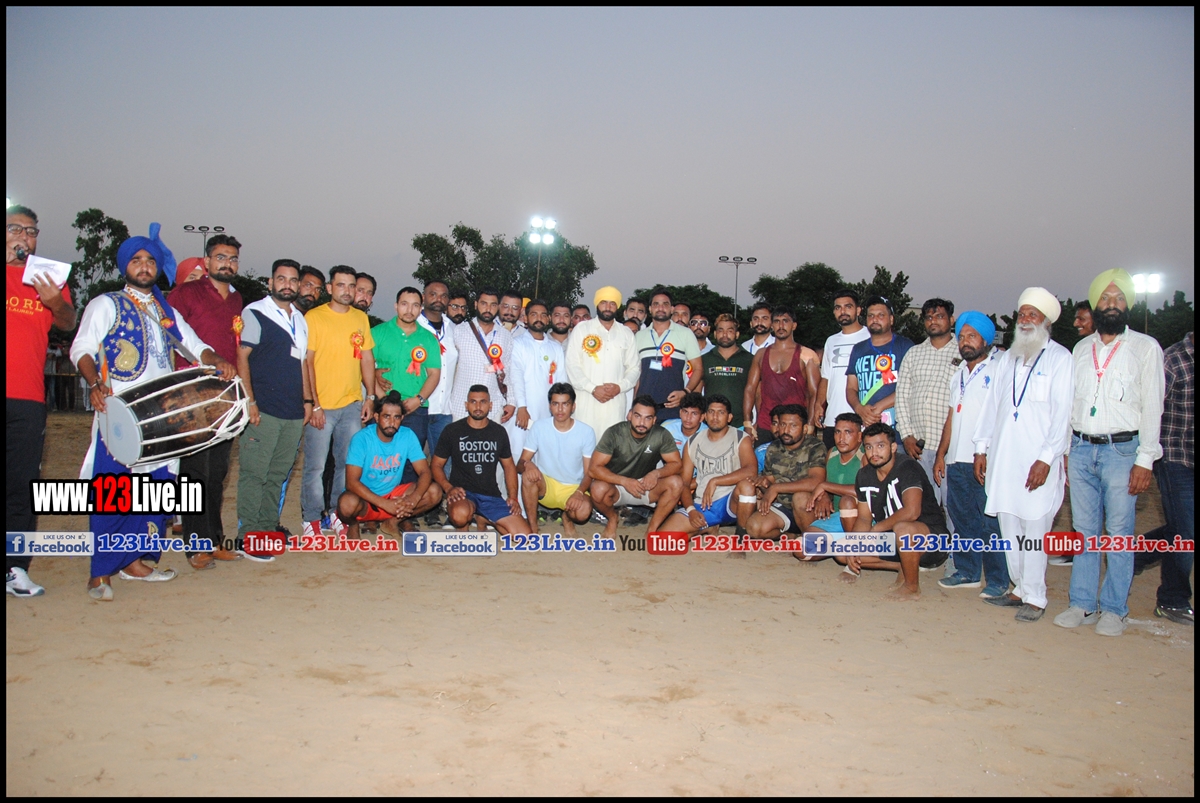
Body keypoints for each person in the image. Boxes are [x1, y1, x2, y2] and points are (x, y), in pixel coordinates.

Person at [71, 226, 235, 600]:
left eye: (150, 260)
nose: (144, 266)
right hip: (119, 412)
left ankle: (134, 562)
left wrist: (216, 360)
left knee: (154, 491)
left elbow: (194, 344)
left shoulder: (165, 310)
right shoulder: (106, 304)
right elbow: (81, 348)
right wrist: (94, 382)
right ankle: (100, 572)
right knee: (114, 490)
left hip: (162, 417)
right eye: (136, 260)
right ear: (124, 266)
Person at [1055, 269, 1164, 637]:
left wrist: (1145, 459)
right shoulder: (1080, 350)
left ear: (1128, 305)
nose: (1112, 304)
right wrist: (1067, 451)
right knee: (1084, 531)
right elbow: (1071, 404)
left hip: (1122, 451)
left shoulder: (1145, 348)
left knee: (1118, 532)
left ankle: (1115, 609)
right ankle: (1082, 603)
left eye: (1119, 299)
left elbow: (1153, 406)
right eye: (1105, 298)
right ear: (1095, 304)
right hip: (1081, 449)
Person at [973, 288, 1072, 623]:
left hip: (1038, 460)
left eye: (1033, 315)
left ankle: (1036, 597)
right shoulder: (1008, 358)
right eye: (1022, 314)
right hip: (1004, 457)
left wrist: (1046, 458)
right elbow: (992, 406)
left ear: (1046, 322)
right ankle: (1019, 589)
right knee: (1008, 526)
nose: (1026, 320)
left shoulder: (1060, 358)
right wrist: (981, 447)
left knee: (1035, 529)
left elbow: (1062, 414)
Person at [7, 205, 75, 597]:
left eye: (31, 231)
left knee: (20, 486)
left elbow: (67, 322)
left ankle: (14, 568)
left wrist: (54, 301)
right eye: (15, 229)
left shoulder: (47, 278)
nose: (24, 237)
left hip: (28, 397)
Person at [167, 233, 245, 569]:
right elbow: (170, 335)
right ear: (208, 260)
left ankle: (214, 540)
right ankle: (195, 545)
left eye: (232, 258)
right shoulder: (186, 293)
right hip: (193, 392)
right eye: (221, 257)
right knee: (195, 471)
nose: (227, 263)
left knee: (217, 471)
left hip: (226, 395)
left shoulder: (237, 299)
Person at [235, 259, 311, 559]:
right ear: (271, 282)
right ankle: (247, 535)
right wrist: (250, 402)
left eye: (293, 280)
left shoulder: (300, 319)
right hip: (263, 409)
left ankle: (267, 529)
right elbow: (242, 358)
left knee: (277, 474)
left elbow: (302, 363)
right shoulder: (255, 312)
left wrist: (307, 402)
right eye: (281, 279)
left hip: (292, 412)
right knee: (255, 473)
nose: (287, 285)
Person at [932, 312, 1010, 597]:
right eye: (962, 337)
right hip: (956, 460)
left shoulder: (999, 370)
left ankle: (998, 580)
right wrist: (941, 454)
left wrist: (986, 452)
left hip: (984, 459)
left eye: (972, 336)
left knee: (990, 522)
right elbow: (951, 417)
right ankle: (967, 572)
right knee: (962, 519)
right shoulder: (958, 375)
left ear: (986, 340)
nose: (965, 342)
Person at [302, 265, 377, 539]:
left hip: (351, 405)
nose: (347, 291)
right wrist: (315, 404)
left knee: (346, 464)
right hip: (322, 407)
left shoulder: (360, 318)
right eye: (341, 285)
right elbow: (307, 361)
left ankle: (337, 513)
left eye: (351, 285)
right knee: (316, 466)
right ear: (330, 288)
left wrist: (370, 397)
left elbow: (366, 358)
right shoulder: (314, 317)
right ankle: (311, 518)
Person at [841, 424, 948, 599]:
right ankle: (903, 565)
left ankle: (911, 587)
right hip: (893, 539)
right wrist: (855, 544)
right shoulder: (864, 475)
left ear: (893, 447)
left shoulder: (907, 467)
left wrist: (877, 529)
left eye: (880, 446)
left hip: (930, 540)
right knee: (842, 551)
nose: (874, 452)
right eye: (869, 447)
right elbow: (864, 519)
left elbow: (912, 512)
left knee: (903, 528)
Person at [339, 391, 443, 537]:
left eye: (397, 417)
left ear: (402, 418)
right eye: (386, 416)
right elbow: (351, 482)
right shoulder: (361, 439)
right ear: (376, 417)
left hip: (393, 497)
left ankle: (392, 522)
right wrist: (384, 504)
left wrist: (414, 498)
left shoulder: (407, 435)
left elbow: (425, 472)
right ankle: (353, 524)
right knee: (346, 504)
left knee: (434, 492)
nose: (392, 422)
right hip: (366, 499)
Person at [1142, 331, 1192, 625]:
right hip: (1175, 457)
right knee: (1186, 532)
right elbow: (1149, 408)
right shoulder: (1172, 360)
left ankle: (1136, 554)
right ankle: (1172, 599)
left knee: (1182, 527)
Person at [432, 385, 530, 534]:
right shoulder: (452, 430)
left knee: (523, 537)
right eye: (473, 402)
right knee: (460, 516)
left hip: (490, 495)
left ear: (490, 405)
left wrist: (513, 498)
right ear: (466, 405)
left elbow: (509, 466)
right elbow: (436, 465)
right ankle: (465, 523)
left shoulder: (498, 432)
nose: (478, 407)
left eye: (483, 402)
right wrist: (449, 488)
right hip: (463, 494)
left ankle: (483, 517)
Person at [588, 395, 685, 540]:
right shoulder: (614, 433)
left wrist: (656, 474)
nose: (642, 422)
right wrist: (624, 481)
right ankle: (612, 518)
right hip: (616, 486)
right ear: (629, 415)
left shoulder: (661, 434)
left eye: (648, 418)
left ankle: (652, 529)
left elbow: (677, 464)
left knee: (676, 483)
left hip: (645, 486)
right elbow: (593, 469)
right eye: (638, 416)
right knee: (597, 489)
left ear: (654, 420)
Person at [661, 394, 757, 534]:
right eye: (711, 412)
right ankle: (707, 527)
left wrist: (715, 481)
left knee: (747, 486)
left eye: (721, 412)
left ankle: (741, 537)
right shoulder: (693, 442)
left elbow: (751, 470)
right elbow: (685, 483)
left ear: (729, 417)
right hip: (703, 504)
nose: (715, 417)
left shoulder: (740, 438)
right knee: (663, 539)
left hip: (730, 502)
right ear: (705, 416)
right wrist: (691, 510)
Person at [895, 299, 959, 507]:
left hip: (951, 447)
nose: (933, 321)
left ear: (951, 320)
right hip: (919, 447)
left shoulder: (963, 352)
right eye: (929, 317)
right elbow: (902, 396)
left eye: (939, 316)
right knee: (923, 507)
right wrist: (906, 436)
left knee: (952, 507)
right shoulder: (914, 353)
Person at [741, 404, 827, 545]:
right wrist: (763, 483)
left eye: (793, 426)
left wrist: (776, 488)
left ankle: (813, 543)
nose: (786, 430)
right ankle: (791, 535)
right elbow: (770, 480)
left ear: (805, 428)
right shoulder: (774, 448)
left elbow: (816, 481)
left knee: (800, 497)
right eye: (782, 425)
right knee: (754, 527)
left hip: (808, 507)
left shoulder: (815, 446)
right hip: (784, 506)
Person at [517, 383, 596, 536]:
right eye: (555, 404)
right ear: (550, 406)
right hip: (547, 486)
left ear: (573, 407)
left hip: (573, 487)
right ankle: (532, 527)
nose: (560, 409)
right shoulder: (539, 427)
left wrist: (579, 492)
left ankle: (567, 517)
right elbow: (519, 465)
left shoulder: (586, 432)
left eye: (565, 404)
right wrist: (528, 464)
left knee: (583, 512)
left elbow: (589, 473)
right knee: (528, 475)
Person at [372, 286, 441, 450]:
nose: (409, 310)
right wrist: (382, 399)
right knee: (378, 456)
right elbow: (364, 368)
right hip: (383, 407)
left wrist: (419, 399)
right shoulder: (377, 333)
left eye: (415, 305)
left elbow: (434, 374)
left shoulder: (429, 338)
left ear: (420, 308)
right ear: (396, 306)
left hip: (415, 410)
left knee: (412, 458)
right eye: (404, 304)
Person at [565, 286, 640, 438]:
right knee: (584, 446)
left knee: (611, 447)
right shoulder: (582, 329)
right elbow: (572, 365)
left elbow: (634, 368)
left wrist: (619, 387)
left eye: (612, 303)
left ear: (617, 306)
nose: (607, 307)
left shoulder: (626, 333)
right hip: (586, 402)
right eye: (603, 302)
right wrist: (592, 388)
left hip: (615, 404)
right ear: (597, 304)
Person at [744, 307, 819, 445]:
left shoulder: (806, 355)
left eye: (785, 321)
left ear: (794, 325)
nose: (781, 325)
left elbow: (814, 393)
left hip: (795, 425)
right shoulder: (761, 354)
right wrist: (748, 422)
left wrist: (810, 425)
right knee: (762, 459)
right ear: (772, 325)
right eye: (777, 321)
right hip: (766, 423)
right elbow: (750, 389)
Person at [506, 299, 566, 460]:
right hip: (522, 414)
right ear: (525, 318)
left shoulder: (556, 348)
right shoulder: (517, 343)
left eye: (543, 315)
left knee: (543, 458)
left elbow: (561, 383)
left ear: (548, 319)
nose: (539, 318)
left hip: (547, 414)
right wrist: (522, 407)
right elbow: (516, 376)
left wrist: (559, 411)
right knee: (518, 457)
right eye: (534, 314)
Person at [846, 296, 915, 430]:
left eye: (881, 315)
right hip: (866, 425)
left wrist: (879, 407)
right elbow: (851, 388)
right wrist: (859, 408)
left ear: (891, 319)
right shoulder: (858, 349)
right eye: (871, 315)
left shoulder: (905, 346)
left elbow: (912, 385)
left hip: (898, 427)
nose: (875, 319)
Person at [634, 288, 702, 421]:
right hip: (644, 412)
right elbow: (637, 375)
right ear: (650, 309)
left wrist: (686, 392)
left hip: (672, 409)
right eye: (656, 304)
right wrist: (634, 406)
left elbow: (698, 369)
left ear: (671, 309)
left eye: (665, 304)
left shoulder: (686, 334)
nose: (660, 308)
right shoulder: (639, 336)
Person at [450, 288, 515, 425]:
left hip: (493, 407)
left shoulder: (505, 336)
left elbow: (508, 371)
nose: (488, 309)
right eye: (484, 303)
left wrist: (511, 401)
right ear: (476, 304)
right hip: (462, 406)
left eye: (493, 305)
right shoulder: (459, 331)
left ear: (498, 307)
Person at [817, 289, 870, 449]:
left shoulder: (870, 336)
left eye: (848, 306)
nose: (843, 311)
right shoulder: (831, 341)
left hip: (862, 418)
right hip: (833, 418)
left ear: (858, 310)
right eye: (838, 307)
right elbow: (826, 377)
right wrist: (819, 404)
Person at [413, 281, 460, 460]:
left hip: (444, 410)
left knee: (444, 463)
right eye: (433, 294)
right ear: (423, 297)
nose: (438, 299)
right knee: (412, 462)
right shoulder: (413, 325)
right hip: (417, 408)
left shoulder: (454, 329)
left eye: (443, 296)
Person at [804, 412, 865, 536]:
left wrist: (825, 486)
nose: (841, 438)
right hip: (838, 516)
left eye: (848, 432)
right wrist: (825, 495)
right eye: (837, 432)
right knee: (806, 541)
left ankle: (855, 543)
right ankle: (842, 544)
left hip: (862, 518)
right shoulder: (832, 453)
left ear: (859, 436)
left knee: (847, 501)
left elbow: (863, 491)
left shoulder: (866, 456)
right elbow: (828, 485)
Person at [701, 313, 754, 425]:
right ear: (715, 334)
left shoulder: (749, 359)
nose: (725, 335)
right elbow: (697, 391)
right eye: (720, 330)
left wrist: (749, 423)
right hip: (710, 424)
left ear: (737, 334)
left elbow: (757, 392)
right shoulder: (705, 359)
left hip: (740, 424)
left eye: (730, 331)